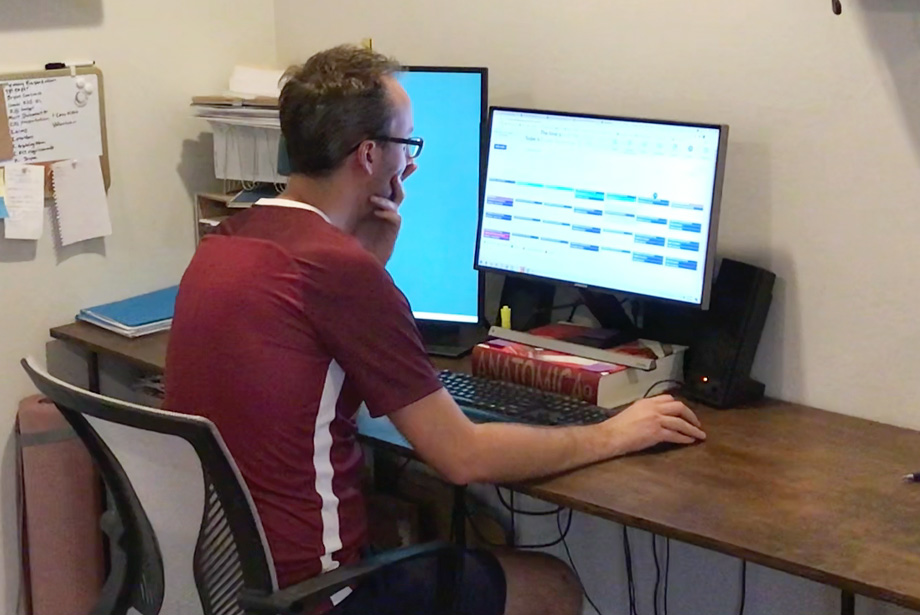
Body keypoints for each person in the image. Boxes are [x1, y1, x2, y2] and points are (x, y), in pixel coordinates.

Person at [164, 44, 706, 615]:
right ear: (369, 154)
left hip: (225, 585)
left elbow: (304, 365)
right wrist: (615, 433)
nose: (411, 163)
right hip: (316, 598)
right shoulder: (338, 274)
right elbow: (461, 457)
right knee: (551, 586)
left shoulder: (226, 241)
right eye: (407, 144)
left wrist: (368, 263)